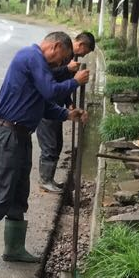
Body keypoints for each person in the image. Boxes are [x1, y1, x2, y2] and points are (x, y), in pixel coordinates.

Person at [0, 32, 90, 271]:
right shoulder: (31, 56)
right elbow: (51, 91)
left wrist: (67, 114)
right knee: (2, 194)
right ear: (54, 46)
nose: (61, 63)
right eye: (62, 58)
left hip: (21, 136)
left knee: (19, 195)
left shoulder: (38, 65)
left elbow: (44, 106)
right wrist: (75, 81)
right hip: (6, 135)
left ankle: (14, 248)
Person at [36, 31, 96, 192]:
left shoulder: (70, 59)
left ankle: (49, 179)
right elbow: (48, 79)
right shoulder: (58, 58)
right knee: (50, 145)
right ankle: (45, 180)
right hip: (47, 107)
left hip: (58, 108)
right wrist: (67, 69)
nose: (83, 56)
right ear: (81, 45)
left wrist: (69, 104)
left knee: (57, 144)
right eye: (85, 52)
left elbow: (64, 85)